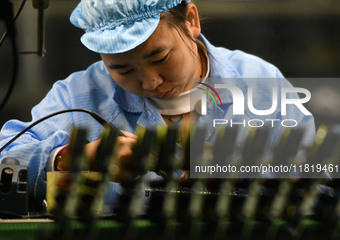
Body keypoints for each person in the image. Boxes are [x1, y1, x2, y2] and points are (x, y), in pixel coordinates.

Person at [0, 0, 315, 207]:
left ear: (191, 21)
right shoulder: (79, 95)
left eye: (160, 57)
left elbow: (320, 181)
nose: (150, 81)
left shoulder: (258, 80)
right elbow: (5, 159)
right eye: (122, 69)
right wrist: (76, 158)